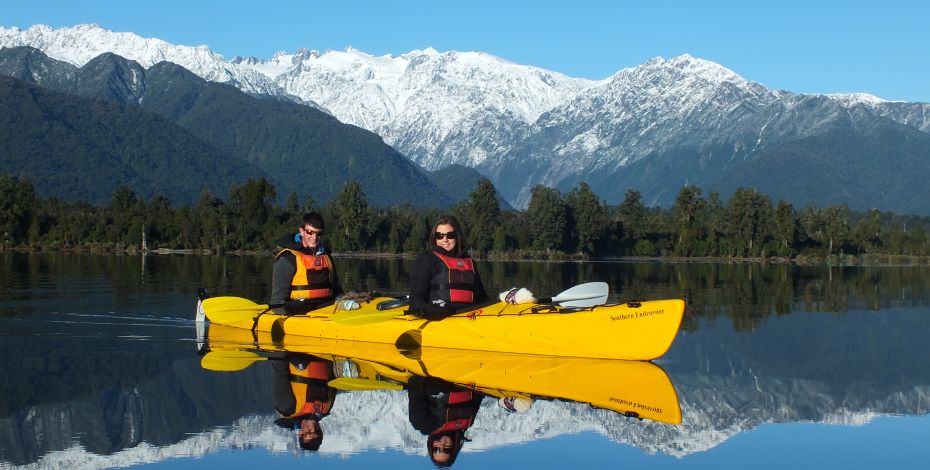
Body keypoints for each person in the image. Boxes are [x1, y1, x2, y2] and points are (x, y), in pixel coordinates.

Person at [408, 215, 488, 319]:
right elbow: (416, 301)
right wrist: (427, 310)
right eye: (440, 235)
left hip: (467, 316)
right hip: (439, 317)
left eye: (450, 235)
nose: (445, 240)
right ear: (435, 238)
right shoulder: (426, 260)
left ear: (457, 236)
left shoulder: (470, 263)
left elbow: (482, 298)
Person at [270, 212, 343, 314]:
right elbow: (278, 302)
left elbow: (336, 290)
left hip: (326, 308)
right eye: (310, 232)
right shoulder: (287, 258)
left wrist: (344, 300)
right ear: (302, 231)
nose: (314, 238)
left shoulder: (326, 256)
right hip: (298, 311)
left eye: (318, 233)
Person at [407, 375, 484, 467]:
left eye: (437, 449)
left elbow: (414, 384)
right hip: (469, 375)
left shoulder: (423, 424)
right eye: (446, 450)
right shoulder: (467, 423)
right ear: (453, 449)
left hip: (439, 373)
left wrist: (442, 386)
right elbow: (479, 394)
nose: (442, 446)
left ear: (431, 446)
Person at [271, 353, 337, 452]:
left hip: (298, 349)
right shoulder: (326, 408)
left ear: (300, 433)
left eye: (309, 432)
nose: (314, 427)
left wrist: (292, 356)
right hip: (325, 352)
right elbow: (334, 377)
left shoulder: (287, 408)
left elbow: (278, 370)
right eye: (318, 431)